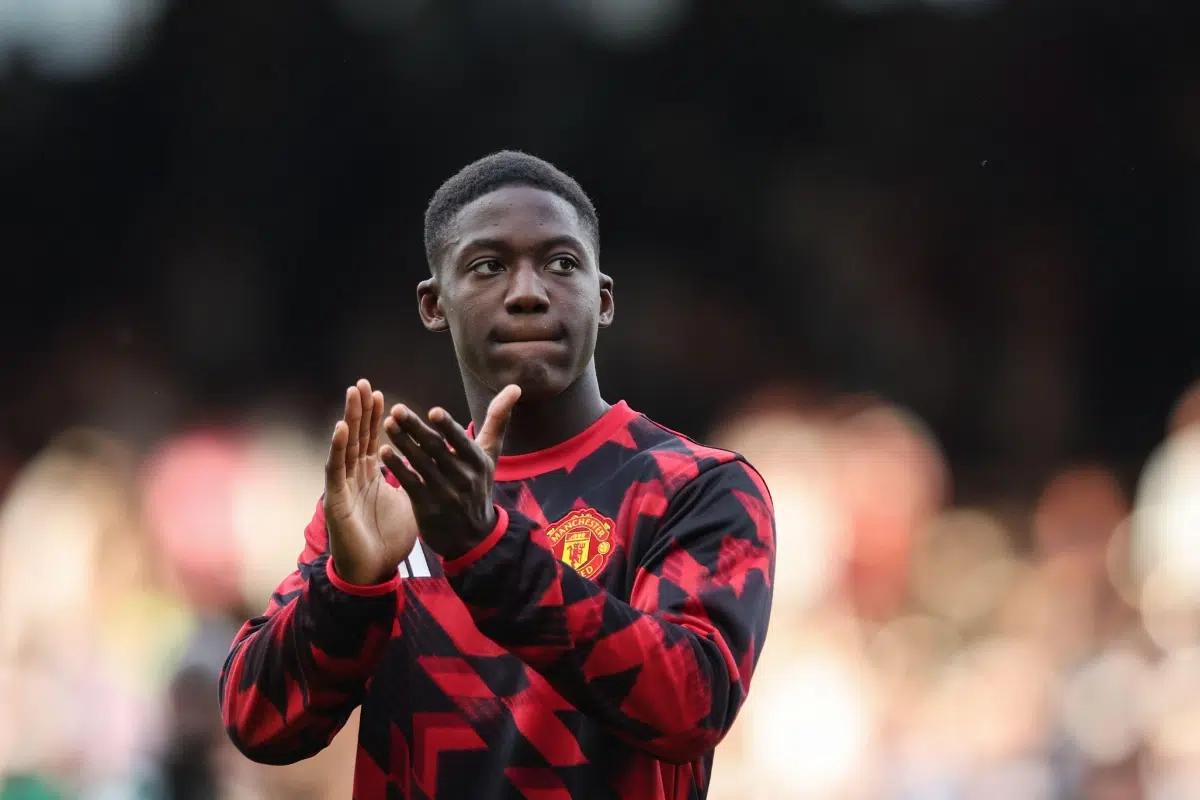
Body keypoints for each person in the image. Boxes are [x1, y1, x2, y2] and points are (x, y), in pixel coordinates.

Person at [219, 151, 776, 799]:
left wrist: (488, 552)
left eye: (562, 264)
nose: (528, 293)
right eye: (488, 267)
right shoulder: (387, 498)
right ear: (434, 305)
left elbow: (691, 705)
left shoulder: (696, 487)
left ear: (604, 301)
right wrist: (347, 589)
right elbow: (258, 726)